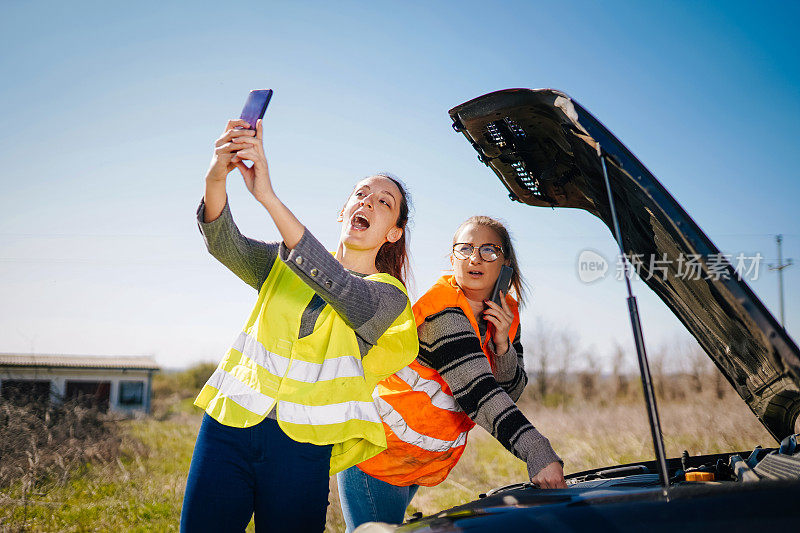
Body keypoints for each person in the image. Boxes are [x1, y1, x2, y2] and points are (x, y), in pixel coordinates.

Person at [180, 118, 418, 532]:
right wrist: (216, 176)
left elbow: (343, 290)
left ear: (394, 233)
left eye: (384, 202)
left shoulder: (389, 297)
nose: (367, 203)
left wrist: (268, 197)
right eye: (360, 195)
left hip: (303, 446)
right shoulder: (281, 262)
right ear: (343, 210)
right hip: (229, 425)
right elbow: (222, 240)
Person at [337, 215, 566, 531]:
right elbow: (480, 395)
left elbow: (510, 392)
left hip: (412, 457)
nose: (475, 258)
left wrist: (502, 347)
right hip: (377, 452)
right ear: (452, 258)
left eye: (489, 250)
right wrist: (537, 451)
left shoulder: (505, 315)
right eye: (465, 248)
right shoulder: (443, 314)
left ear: (506, 264)